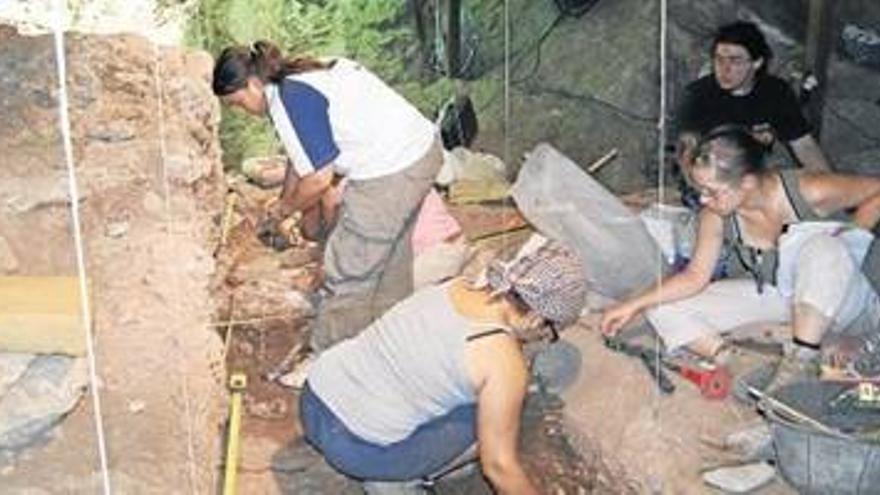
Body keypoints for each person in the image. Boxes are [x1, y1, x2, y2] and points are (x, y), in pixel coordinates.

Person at [601, 124, 880, 391]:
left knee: (823, 248)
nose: (703, 201)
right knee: (663, 306)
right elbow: (694, 277)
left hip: (843, 301)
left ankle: (800, 364)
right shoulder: (716, 214)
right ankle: (736, 361)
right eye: (701, 191)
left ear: (746, 182)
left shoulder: (809, 189)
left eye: (712, 192)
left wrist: (851, 234)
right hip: (783, 300)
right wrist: (633, 305)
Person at [299, 240, 587, 493]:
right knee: (495, 417)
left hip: (314, 400)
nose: (542, 337)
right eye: (549, 330)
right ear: (537, 318)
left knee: (467, 391)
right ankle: (396, 482)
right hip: (361, 449)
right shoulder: (503, 363)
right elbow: (499, 467)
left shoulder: (454, 285)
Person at [212, 41, 443, 352]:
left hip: (391, 169)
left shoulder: (287, 99)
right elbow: (301, 158)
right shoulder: (298, 75)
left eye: (238, 102)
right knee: (391, 258)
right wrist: (283, 204)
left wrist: (288, 207)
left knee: (348, 268)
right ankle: (390, 339)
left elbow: (320, 178)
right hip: (419, 151)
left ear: (253, 84)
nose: (244, 111)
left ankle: (327, 359)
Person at [675, 21, 831, 207]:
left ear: (756, 62)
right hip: (711, 183)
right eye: (719, 59)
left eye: (735, 61)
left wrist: (830, 186)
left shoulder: (776, 92)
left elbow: (804, 145)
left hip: (758, 179)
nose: (725, 69)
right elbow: (686, 154)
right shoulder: (697, 95)